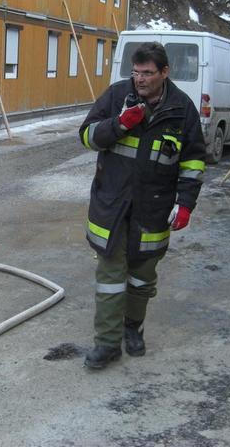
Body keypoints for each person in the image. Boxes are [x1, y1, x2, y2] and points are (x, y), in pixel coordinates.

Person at [79, 42, 206, 369]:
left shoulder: (182, 109)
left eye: (148, 73)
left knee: (142, 277)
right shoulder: (116, 96)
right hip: (112, 206)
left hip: (152, 210)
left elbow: (193, 160)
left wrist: (186, 203)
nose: (140, 79)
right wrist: (119, 124)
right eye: (135, 72)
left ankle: (132, 328)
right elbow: (86, 136)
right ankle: (106, 344)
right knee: (110, 276)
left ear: (164, 72)